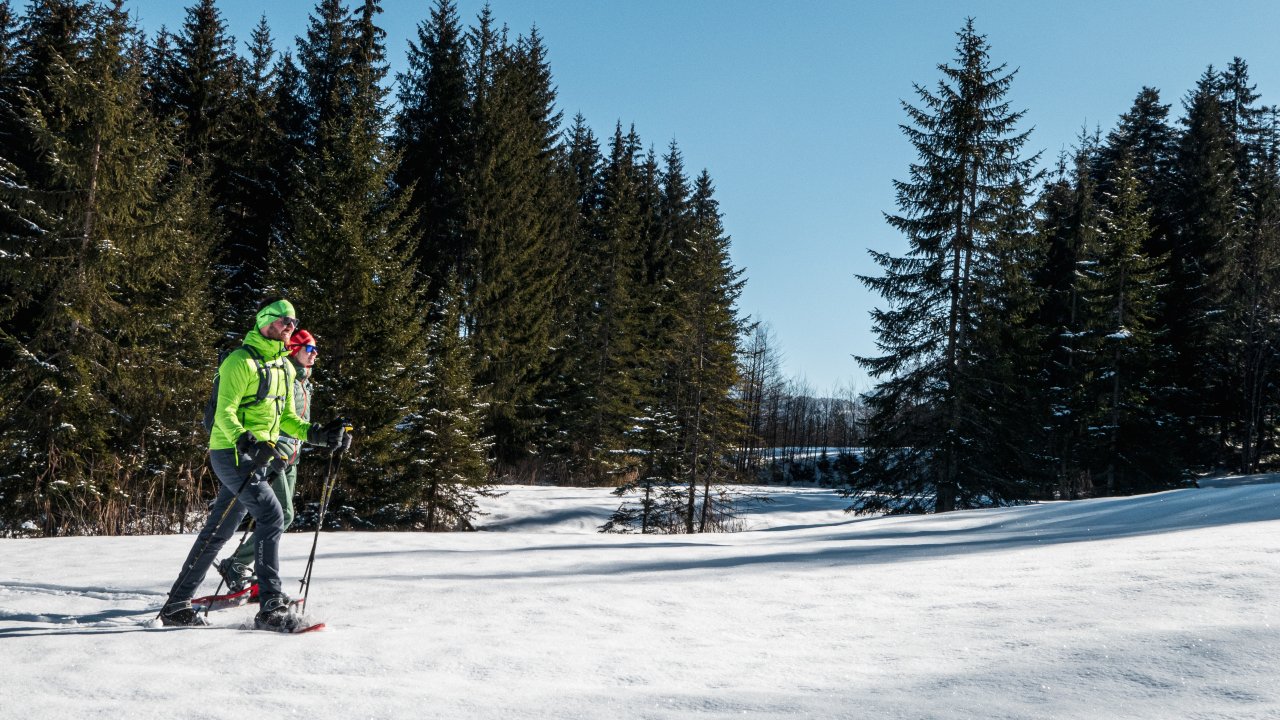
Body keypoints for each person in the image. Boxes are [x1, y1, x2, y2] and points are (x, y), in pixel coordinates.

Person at [160, 301, 350, 631]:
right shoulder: (240, 362)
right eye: (282, 321)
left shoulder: (285, 368)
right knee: (272, 515)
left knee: (219, 530)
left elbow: (289, 419)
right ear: (264, 322)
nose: (289, 326)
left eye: (293, 322)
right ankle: (271, 607)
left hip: (260, 457)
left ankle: (176, 604)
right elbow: (225, 414)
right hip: (232, 454)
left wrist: (320, 434)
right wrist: (247, 441)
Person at [215, 328, 323, 593]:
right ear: (294, 349)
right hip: (274, 454)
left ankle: (240, 566)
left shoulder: (304, 381)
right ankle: (239, 565)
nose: (314, 355)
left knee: (281, 516)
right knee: (281, 515)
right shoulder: (282, 374)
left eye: (316, 351)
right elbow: (275, 416)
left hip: (292, 456)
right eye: (309, 349)